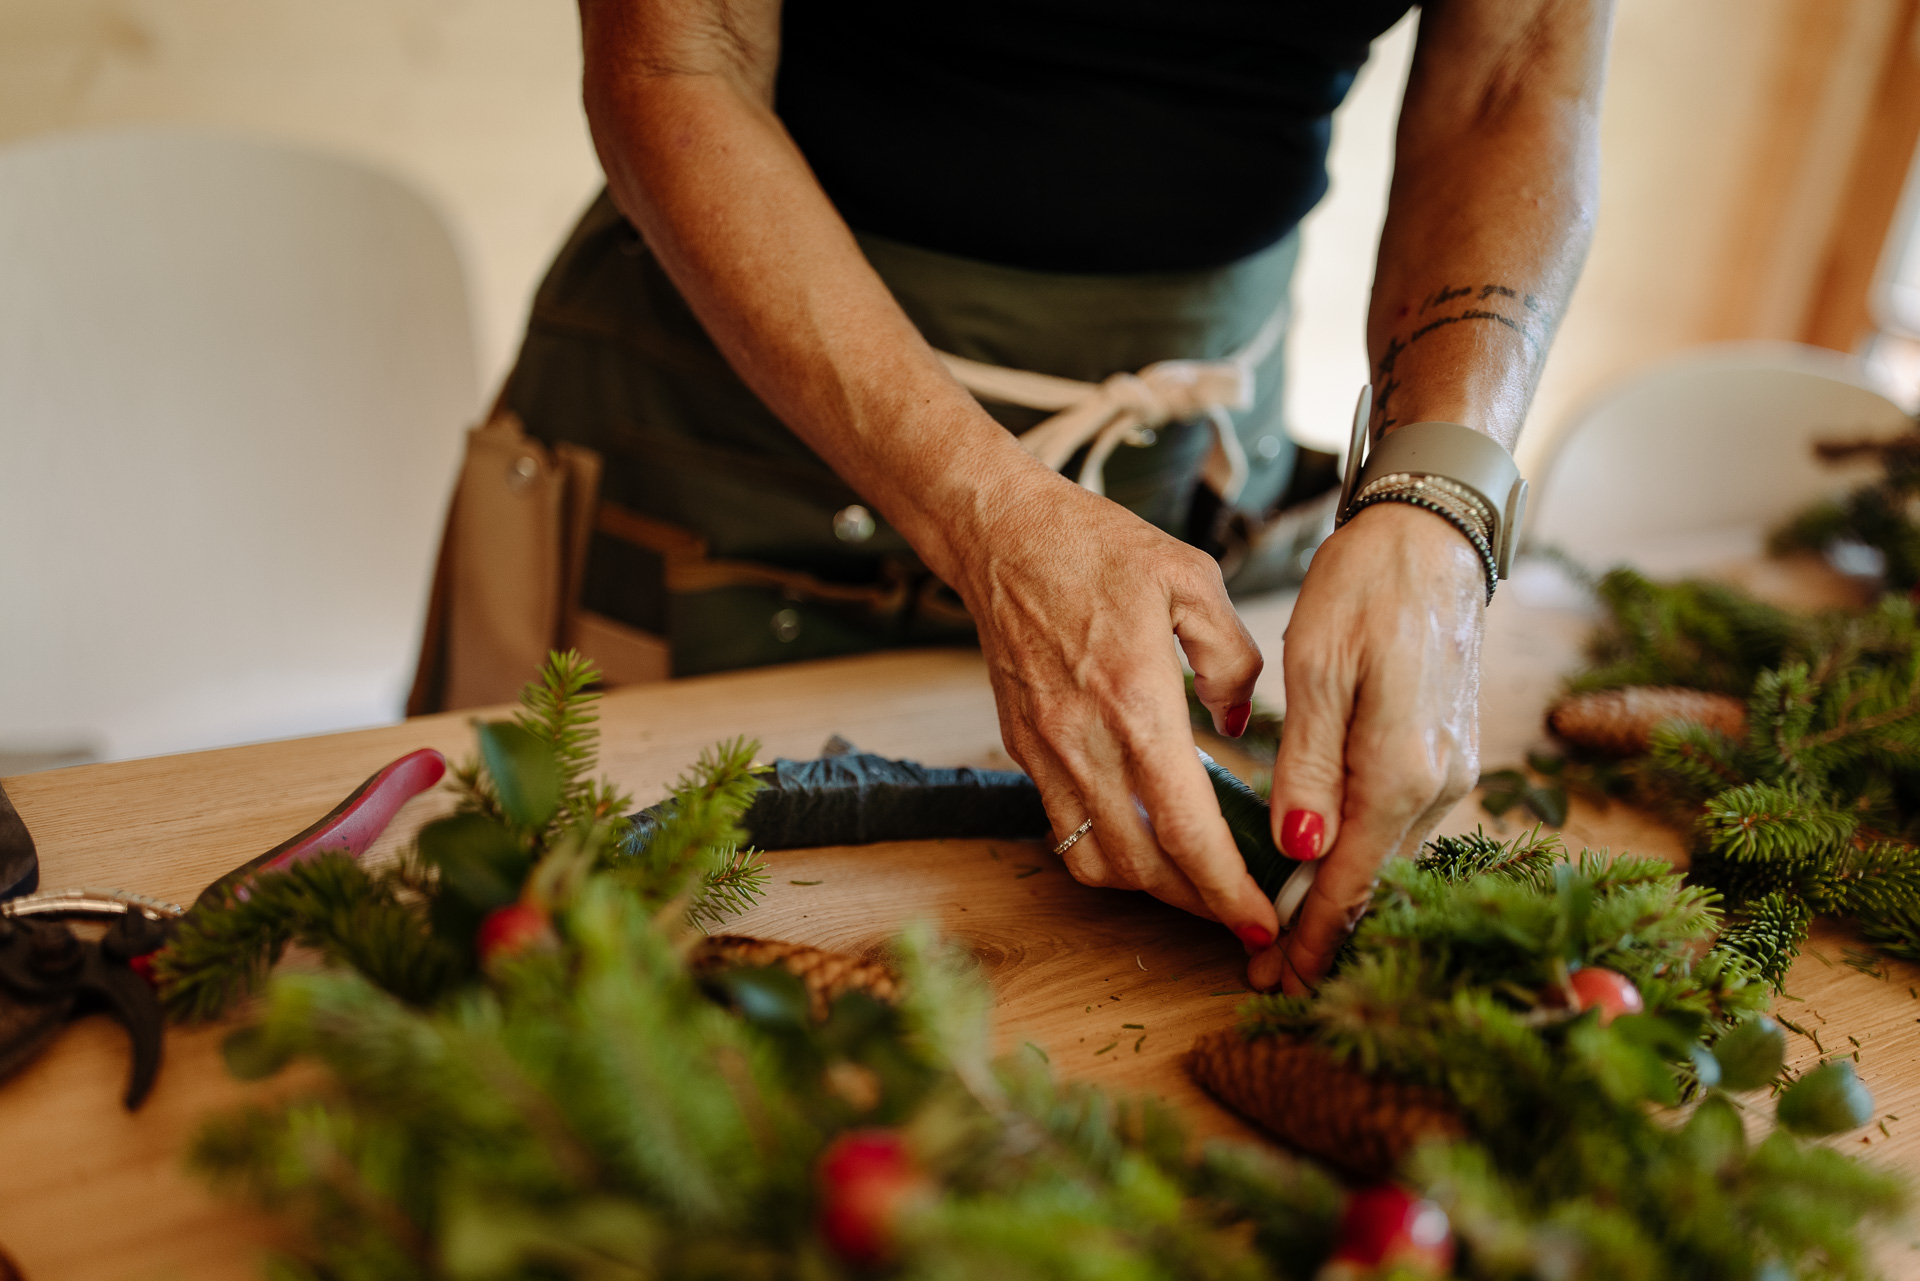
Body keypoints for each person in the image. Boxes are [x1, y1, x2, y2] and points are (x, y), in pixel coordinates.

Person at [502, 0, 1612, 994]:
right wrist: (991, 516)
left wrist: (1440, 500)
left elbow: (1514, 77)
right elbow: (677, 61)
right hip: (733, 433)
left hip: (1193, 466)